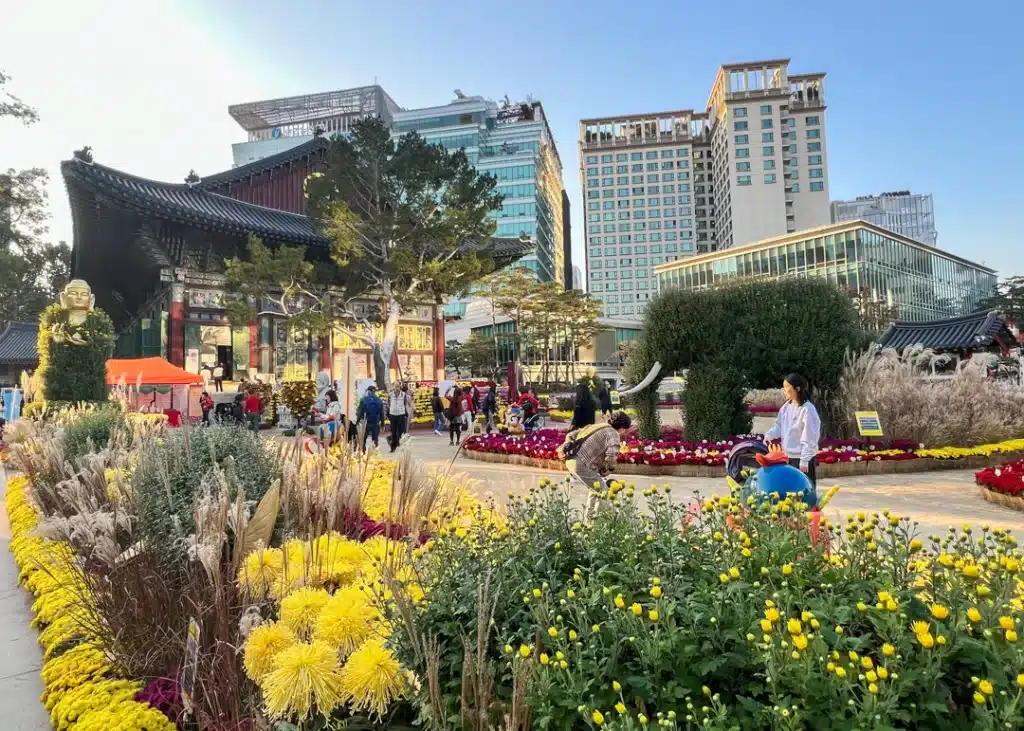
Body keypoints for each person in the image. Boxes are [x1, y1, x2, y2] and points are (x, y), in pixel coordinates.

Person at [763, 372, 821, 489]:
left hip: (802, 459)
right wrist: (770, 435)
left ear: (797, 389)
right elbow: (779, 425)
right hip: (787, 457)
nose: (784, 391)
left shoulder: (808, 409)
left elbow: (810, 436)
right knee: (789, 492)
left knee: (803, 493)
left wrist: (804, 460)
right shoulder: (786, 407)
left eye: (786, 388)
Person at [565, 411, 633, 499]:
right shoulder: (614, 434)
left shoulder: (598, 425)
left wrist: (570, 448)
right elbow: (612, 454)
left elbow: (570, 435)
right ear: (622, 426)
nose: (624, 432)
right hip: (582, 465)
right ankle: (605, 513)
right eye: (624, 429)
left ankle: (591, 513)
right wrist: (610, 468)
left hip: (571, 461)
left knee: (596, 490)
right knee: (604, 493)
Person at [387, 382, 410, 452]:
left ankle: (402, 446)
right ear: (393, 387)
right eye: (395, 386)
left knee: (401, 431)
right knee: (393, 431)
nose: (396, 388)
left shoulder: (403, 395)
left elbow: (405, 403)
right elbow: (389, 403)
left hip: (401, 414)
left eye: (398, 386)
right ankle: (393, 447)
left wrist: (403, 411)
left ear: (400, 387)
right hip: (393, 414)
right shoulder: (390, 395)